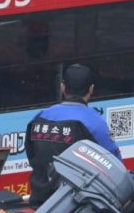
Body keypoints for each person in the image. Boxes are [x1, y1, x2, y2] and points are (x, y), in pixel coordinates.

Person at [25, 64, 123, 205]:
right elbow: (116, 168)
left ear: (63, 87)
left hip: (39, 202)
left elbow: (33, 157)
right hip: (76, 208)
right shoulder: (95, 122)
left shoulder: (40, 117)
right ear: (91, 89)